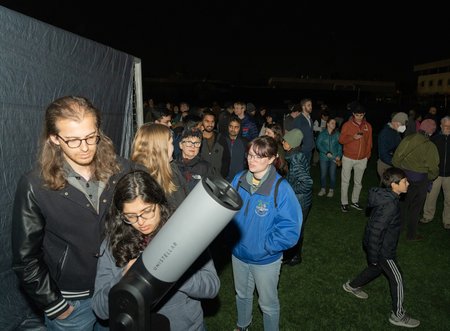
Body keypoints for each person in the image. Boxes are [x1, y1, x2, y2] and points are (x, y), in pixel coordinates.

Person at [11, 95, 137, 330]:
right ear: (54, 139)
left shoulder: (123, 169)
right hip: (71, 302)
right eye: (73, 140)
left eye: (91, 137)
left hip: (116, 287)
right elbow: (25, 258)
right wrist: (54, 304)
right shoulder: (34, 184)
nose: (85, 147)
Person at [92, 170, 220, 330]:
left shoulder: (184, 231)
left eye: (147, 211)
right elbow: (99, 308)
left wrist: (173, 273)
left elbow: (212, 287)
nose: (140, 222)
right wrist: (123, 277)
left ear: (159, 202)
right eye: (130, 216)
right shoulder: (113, 243)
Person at [229, 136, 302, 331]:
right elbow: (228, 212)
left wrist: (266, 246)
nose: (252, 160)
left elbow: (291, 229)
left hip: (265, 260)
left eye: (259, 157)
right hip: (238, 255)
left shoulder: (281, 189)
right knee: (242, 295)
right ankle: (242, 325)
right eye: (250, 155)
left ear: (271, 159)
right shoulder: (239, 179)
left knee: (268, 304)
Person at [343, 167, 420, 328]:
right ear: (394, 185)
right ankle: (398, 315)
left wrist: (374, 260)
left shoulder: (389, 198)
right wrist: (374, 256)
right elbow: (376, 231)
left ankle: (351, 286)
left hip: (381, 246)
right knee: (397, 278)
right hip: (383, 250)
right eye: (405, 181)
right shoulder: (389, 205)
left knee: (376, 269)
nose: (408, 183)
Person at [392, 119, 439, 241]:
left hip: (405, 179)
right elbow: (433, 168)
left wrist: (401, 172)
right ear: (432, 132)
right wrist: (429, 177)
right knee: (416, 208)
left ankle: (398, 229)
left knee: (402, 204)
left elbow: (395, 159)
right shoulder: (430, 146)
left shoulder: (407, 139)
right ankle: (411, 235)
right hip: (421, 181)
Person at [131, 123, 187, 209]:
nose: (173, 148)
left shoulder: (172, 169)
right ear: (160, 148)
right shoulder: (140, 182)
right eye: (171, 143)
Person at [281, 129, 313, 266]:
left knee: (295, 229)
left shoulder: (295, 160)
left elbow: (307, 182)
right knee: (297, 228)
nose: (283, 142)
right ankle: (293, 255)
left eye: (285, 141)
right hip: (303, 200)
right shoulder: (297, 155)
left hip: (300, 201)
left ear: (291, 144)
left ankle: (294, 257)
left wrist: (291, 190)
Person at [339, 102, 373, 212]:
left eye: (361, 115)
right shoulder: (347, 125)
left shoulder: (368, 126)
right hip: (348, 158)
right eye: (357, 115)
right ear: (353, 114)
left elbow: (369, 142)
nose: (359, 117)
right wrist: (353, 137)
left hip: (362, 160)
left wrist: (367, 156)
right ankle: (344, 203)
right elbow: (341, 140)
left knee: (358, 183)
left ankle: (355, 201)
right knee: (345, 181)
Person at [421, 116, 450, 229]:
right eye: (446, 126)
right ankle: (427, 216)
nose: (448, 128)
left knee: (449, 199)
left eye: (449, 126)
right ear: (441, 126)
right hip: (436, 174)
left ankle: (447, 220)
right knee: (431, 197)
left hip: (449, 176)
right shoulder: (435, 139)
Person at [175, 126, 215, 192]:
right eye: (189, 142)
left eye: (197, 143)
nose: (193, 146)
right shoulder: (173, 166)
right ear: (181, 145)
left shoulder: (206, 167)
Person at [316, 117, 342, 198]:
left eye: (334, 123)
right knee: (323, 174)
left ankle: (331, 189)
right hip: (324, 157)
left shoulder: (337, 134)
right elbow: (318, 144)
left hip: (334, 158)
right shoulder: (322, 134)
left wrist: (339, 155)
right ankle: (323, 189)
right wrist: (326, 152)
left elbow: (340, 146)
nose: (334, 124)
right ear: (327, 124)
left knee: (332, 174)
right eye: (332, 123)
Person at [377, 112, 408, 180]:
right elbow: (383, 154)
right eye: (401, 124)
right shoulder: (385, 133)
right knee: (387, 189)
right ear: (394, 122)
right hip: (386, 165)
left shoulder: (395, 132)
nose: (403, 127)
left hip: (393, 164)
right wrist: (396, 163)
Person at [218, 115, 248, 182]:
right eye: (231, 126)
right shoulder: (221, 139)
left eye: (236, 127)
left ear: (240, 128)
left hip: (238, 178)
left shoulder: (244, 142)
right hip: (222, 177)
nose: (233, 129)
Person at [293, 98, 315, 167]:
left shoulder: (309, 118)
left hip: (310, 149)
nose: (311, 107)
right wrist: (300, 147)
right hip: (302, 150)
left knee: (307, 169)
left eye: (311, 105)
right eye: (308, 105)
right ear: (303, 107)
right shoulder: (298, 119)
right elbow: (295, 135)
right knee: (301, 171)